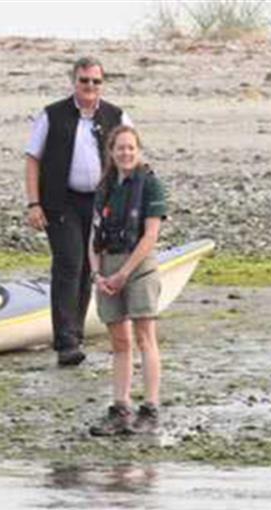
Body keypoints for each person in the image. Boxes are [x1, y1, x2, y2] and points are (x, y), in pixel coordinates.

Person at [24, 56, 133, 367]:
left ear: (102, 83)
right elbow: (33, 160)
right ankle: (66, 342)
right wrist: (34, 203)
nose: (90, 87)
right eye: (84, 80)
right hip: (61, 202)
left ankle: (76, 333)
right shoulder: (52, 115)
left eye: (96, 81)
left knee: (88, 268)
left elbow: (132, 157)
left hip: (101, 204)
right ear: (74, 81)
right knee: (68, 264)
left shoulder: (117, 116)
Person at [87, 126, 168, 436]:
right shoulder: (104, 188)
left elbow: (150, 236)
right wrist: (97, 274)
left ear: (139, 150)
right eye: (120, 148)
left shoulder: (151, 186)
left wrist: (124, 274)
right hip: (107, 266)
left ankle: (150, 408)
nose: (125, 153)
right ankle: (120, 408)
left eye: (130, 148)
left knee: (145, 336)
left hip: (138, 267)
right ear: (111, 152)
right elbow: (92, 236)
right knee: (119, 342)